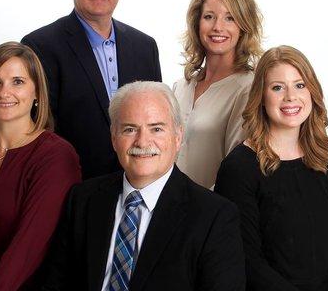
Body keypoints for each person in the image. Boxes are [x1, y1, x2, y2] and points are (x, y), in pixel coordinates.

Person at [41, 81, 245, 290]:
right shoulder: (83, 200)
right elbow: (55, 285)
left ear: (177, 136)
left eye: (156, 129)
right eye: (130, 129)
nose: (142, 142)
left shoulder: (214, 216)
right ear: (113, 138)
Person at [22, 0, 162, 180]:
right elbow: (38, 131)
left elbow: (157, 122)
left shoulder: (144, 47)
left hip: (136, 187)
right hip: (70, 189)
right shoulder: (40, 46)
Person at [0, 42, 81, 290]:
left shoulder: (56, 156)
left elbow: (29, 246)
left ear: (38, 93)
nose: (4, 92)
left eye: (17, 81)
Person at [215, 46, 328, 291]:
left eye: (300, 85)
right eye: (277, 87)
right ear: (261, 97)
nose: (290, 97)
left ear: (312, 92)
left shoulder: (323, 157)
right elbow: (247, 261)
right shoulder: (239, 168)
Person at [173, 0, 263, 188]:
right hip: (166, 208)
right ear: (197, 23)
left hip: (211, 212)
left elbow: (236, 170)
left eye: (230, 18)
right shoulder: (181, 86)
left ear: (243, 26)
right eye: (209, 17)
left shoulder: (248, 88)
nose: (217, 27)